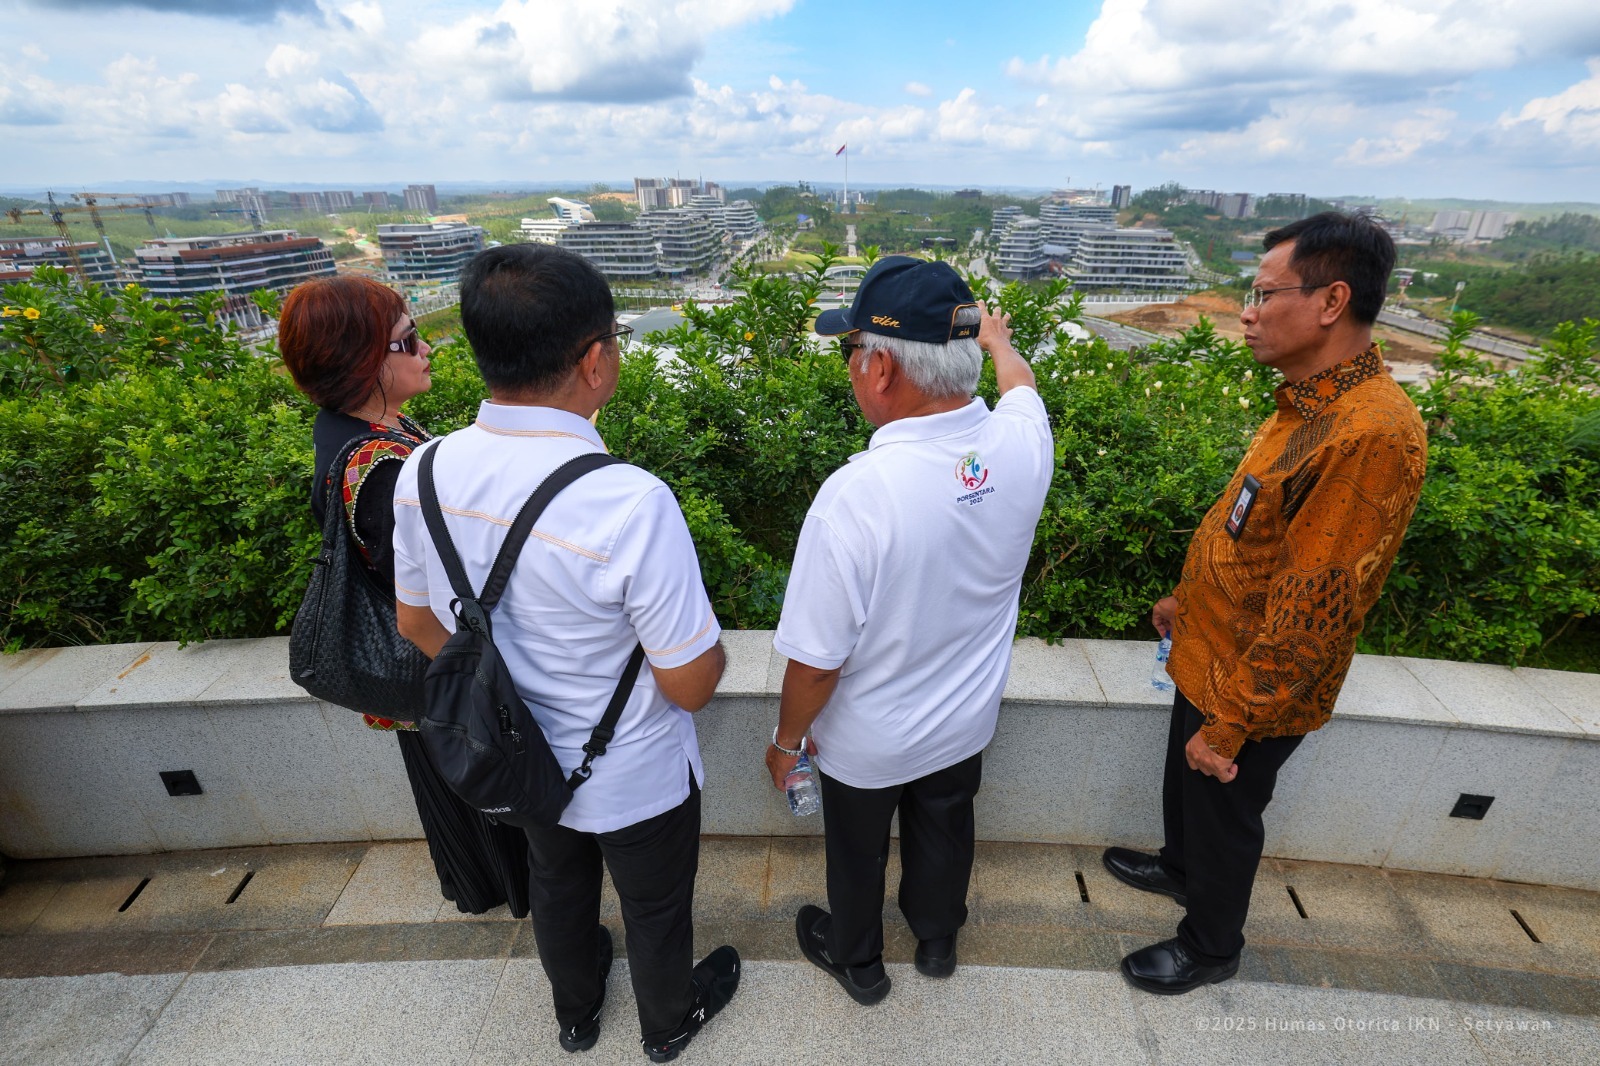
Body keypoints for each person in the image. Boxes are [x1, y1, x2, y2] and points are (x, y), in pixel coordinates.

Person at [389, 244, 739, 1061]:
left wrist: (515, 695)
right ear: (593, 360)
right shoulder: (629, 501)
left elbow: (416, 623)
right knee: (654, 907)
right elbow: (688, 685)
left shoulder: (424, 470)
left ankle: (577, 1017)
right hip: (631, 771)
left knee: (556, 882)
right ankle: (667, 1023)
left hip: (515, 758)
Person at [1103, 211, 1429, 995]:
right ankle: (1182, 869)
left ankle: (1210, 945)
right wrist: (1190, 596)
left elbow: (1316, 607)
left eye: (1264, 292)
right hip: (1210, 646)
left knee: (1223, 806)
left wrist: (1235, 723)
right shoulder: (1308, 401)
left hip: (1254, 682)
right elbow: (1259, 526)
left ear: (1330, 300)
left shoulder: (1371, 433)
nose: (1246, 312)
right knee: (1186, 796)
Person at [764, 256, 1053, 1005]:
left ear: (882, 366)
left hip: (870, 741)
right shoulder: (1023, 446)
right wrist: (996, 340)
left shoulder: (858, 495)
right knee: (946, 828)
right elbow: (1020, 384)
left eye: (851, 350)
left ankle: (858, 961)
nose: (852, 368)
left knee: (857, 852)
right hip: (965, 722)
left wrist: (787, 742)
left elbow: (817, 661)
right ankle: (936, 939)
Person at [279, 274, 530, 918]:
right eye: (407, 341)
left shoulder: (357, 427)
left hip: (425, 666)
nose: (425, 350)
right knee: (477, 776)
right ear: (363, 362)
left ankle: (482, 881)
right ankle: (510, 886)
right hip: (436, 661)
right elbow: (419, 594)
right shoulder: (380, 468)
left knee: (447, 774)